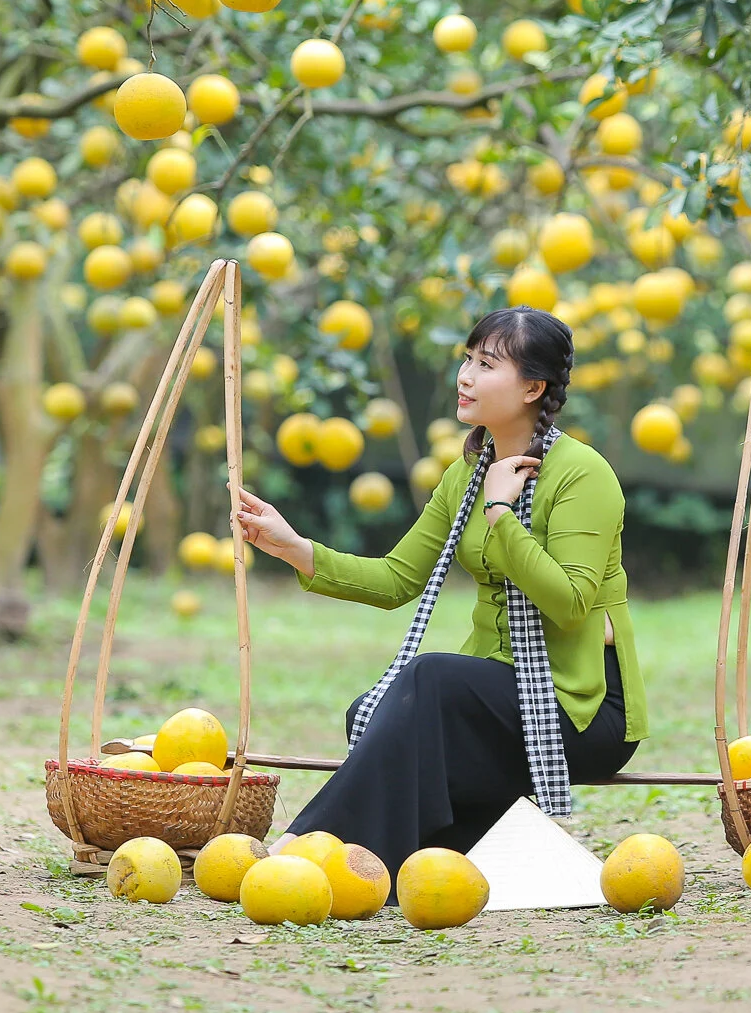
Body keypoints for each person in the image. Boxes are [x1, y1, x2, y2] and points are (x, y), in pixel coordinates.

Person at [233, 305, 647, 889]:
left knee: (428, 682)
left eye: (486, 364)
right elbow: (398, 579)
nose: (466, 376)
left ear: (534, 387)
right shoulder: (467, 475)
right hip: (501, 695)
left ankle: (306, 849)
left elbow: (572, 601)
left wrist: (503, 512)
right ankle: (403, 867)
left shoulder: (583, 474)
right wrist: (297, 549)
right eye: (467, 360)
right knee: (372, 712)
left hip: (579, 708)